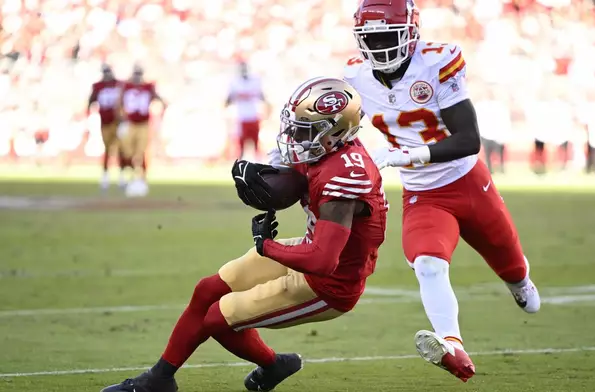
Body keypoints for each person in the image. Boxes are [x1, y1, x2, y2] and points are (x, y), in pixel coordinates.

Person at [100, 77, 387, 392]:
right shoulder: (327, 150)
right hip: (310, 249)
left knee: (216, 319)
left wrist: (267, 246)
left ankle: (273, 364)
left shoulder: (344, 177)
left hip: (330, 284)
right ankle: (159, 378)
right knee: (207, 289)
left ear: (335, 131)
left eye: (305, 129)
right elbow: (295, 183)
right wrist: (259, 179)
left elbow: (323, 261)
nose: (294, 135)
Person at [344, 0, 541, 382]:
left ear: (410, 31)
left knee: (514, 270)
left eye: (388, 34)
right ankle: (453, 344)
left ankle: (519, 283)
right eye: (372, 37)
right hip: (424, 195)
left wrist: (403, 156)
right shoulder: (354, 76)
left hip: (468, 182)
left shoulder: (436, 61)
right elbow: (330, 126)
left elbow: (468, 140)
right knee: (428, 265)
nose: (380, 44)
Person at [118, 65, 166, 197]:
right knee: (127, 151)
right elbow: (119, 103)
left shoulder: (148, 87)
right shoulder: (126, 87)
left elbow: (160, 100)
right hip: (130, 123)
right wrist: (121, 119)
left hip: (143, 124)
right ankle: (131, 176)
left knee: (142, 152)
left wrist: (161, 116)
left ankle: (142, 178)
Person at [88, 64, 126, 189]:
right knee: (108, 150)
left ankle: (121, 176)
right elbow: (91, 101)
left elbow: (125, 102)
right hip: (105, 123)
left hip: (117, 122)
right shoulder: (98, 86)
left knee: (121, 149)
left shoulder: (119, 85)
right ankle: (105, 176)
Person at [225, 61, 270, 160]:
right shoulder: (234, 82)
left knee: (256, 144)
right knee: (240, 146)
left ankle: (258, 165)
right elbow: (228, 100)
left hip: (253, 115)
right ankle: (240, 165)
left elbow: (263, 97)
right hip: (241, 117)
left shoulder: (256, 80)